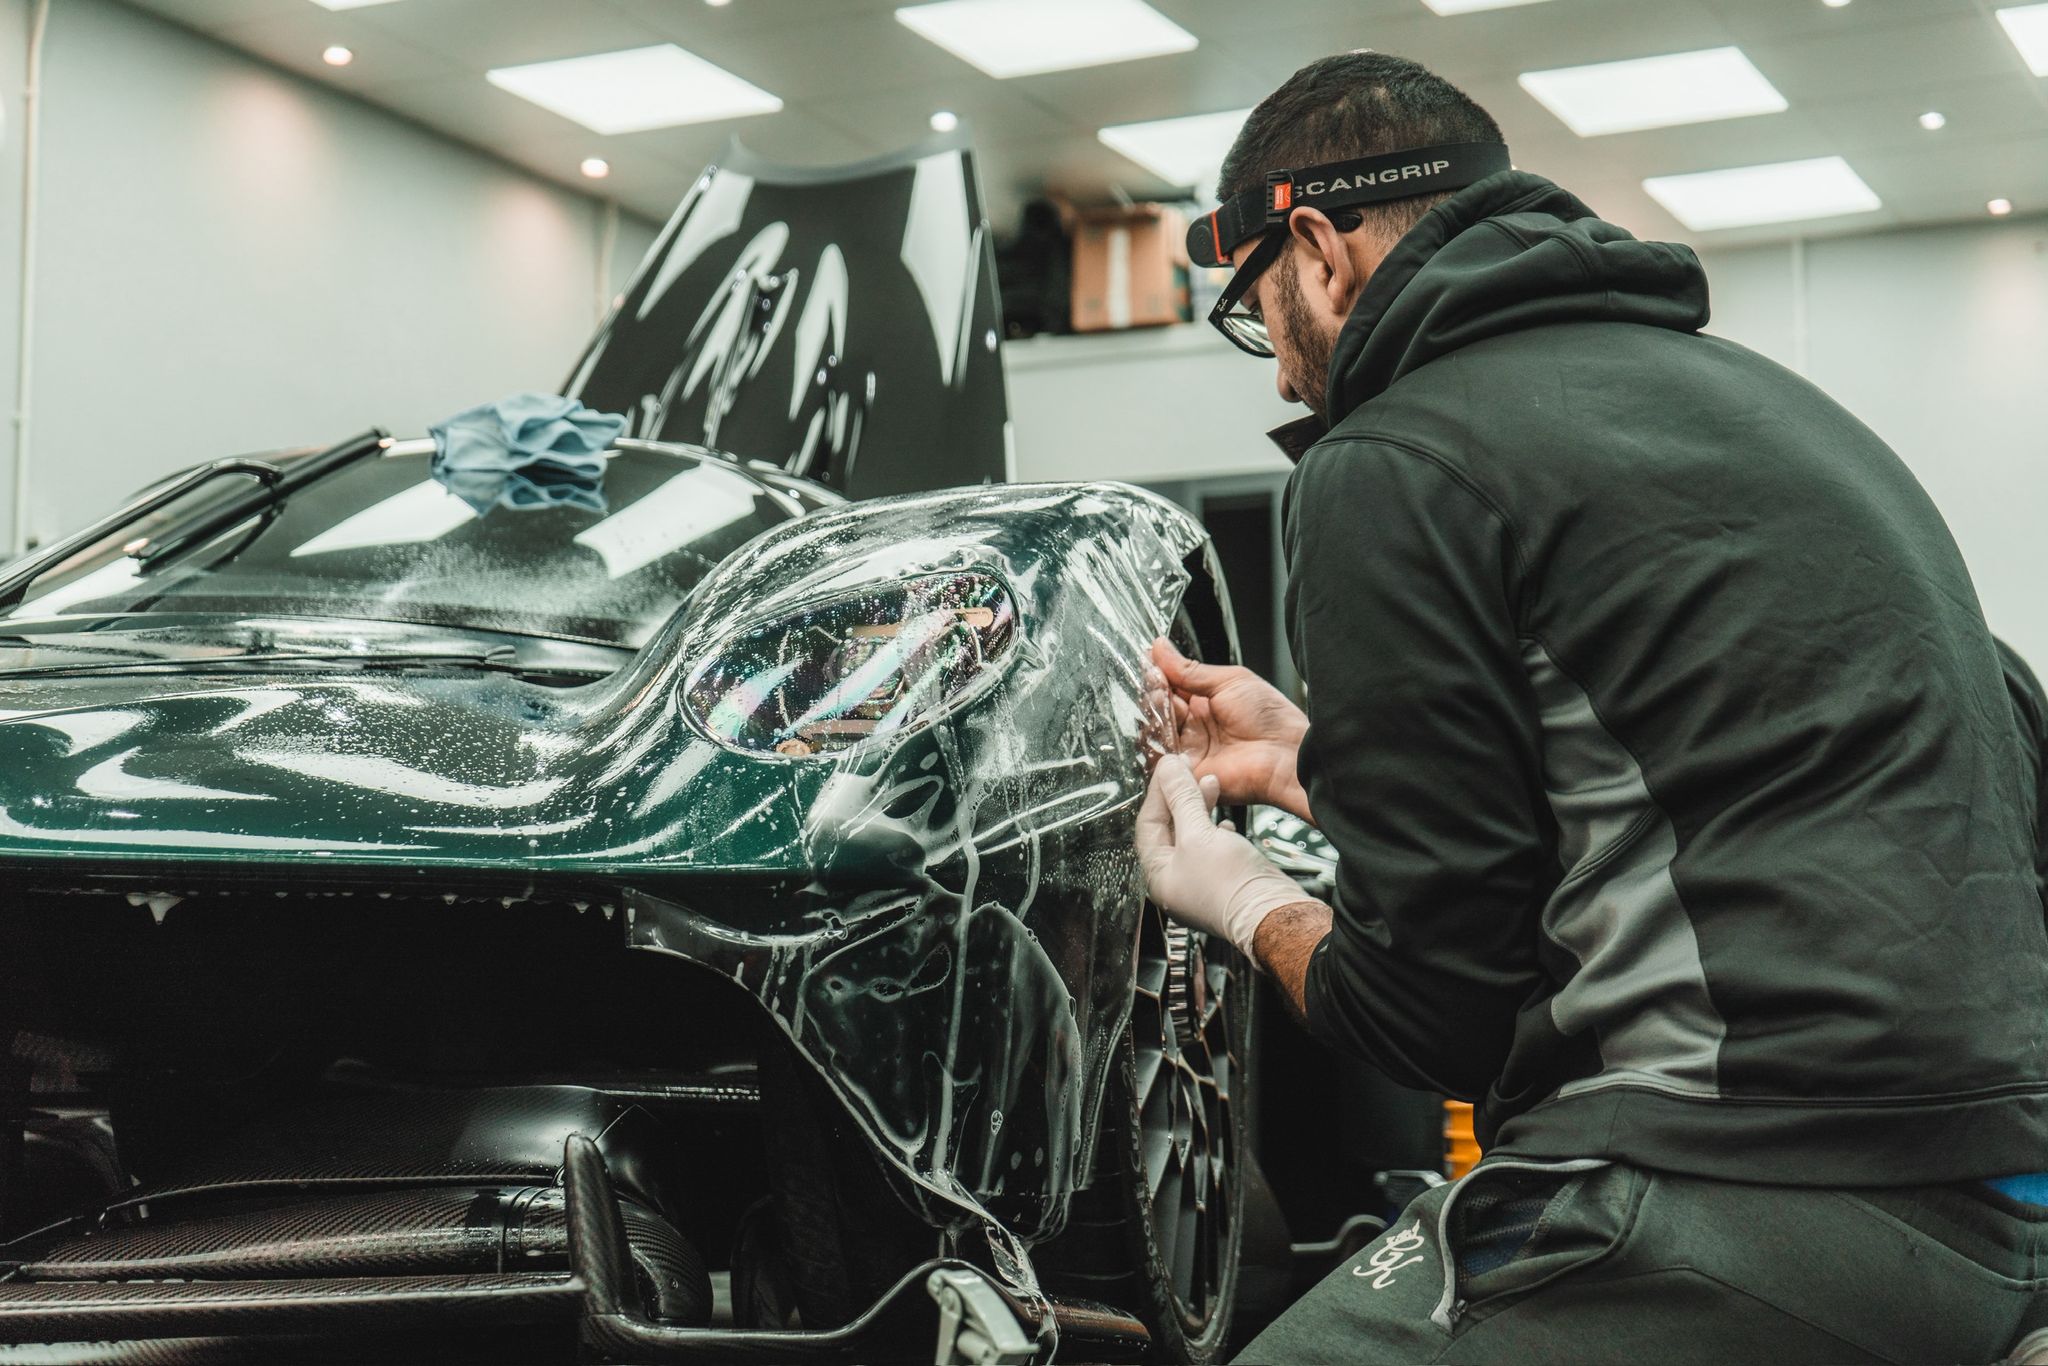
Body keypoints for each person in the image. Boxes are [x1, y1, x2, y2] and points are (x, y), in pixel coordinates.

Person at [1135, 50, 2048, 1363]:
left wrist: (1235, 893)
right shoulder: (1793, 416)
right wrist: (1321, 763)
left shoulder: (1391, 459)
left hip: (1743, 1187)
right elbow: (1760, 777)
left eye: (1258, 310)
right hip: (2005, 1197)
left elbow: (1426, 1017)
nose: (1280, 372)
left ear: (1320, 251)